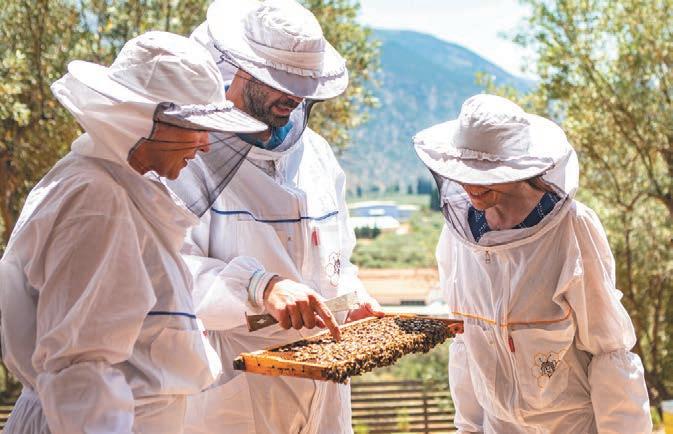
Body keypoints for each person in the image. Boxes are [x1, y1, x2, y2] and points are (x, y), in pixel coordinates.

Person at [0, 31, 266, 434]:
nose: (206, 145)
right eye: (196, 126)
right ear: (145, 118)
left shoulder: (111, 187)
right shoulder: (96, 200)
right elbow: (80, 369)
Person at [173, 0, 383, 432]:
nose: (295, 97)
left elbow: (337, 258)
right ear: (242, 69)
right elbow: (170, 275)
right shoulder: (189, 157)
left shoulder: (317, 153)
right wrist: (259, 286)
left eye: (302, 83)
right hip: (237, 383)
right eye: (282, 82)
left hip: (326, 384)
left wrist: (351, 297)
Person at [414, 94, 652, 433]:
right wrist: (469, 427)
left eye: (486, 172)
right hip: (498, 426)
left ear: (518, 166)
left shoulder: (572, 228)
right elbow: (466, 343)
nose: (470, 184)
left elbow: (609, 349)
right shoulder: (457, 234)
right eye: (464, 169)